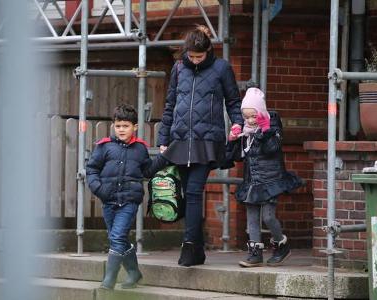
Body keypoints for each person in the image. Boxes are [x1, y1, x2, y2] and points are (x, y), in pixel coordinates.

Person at [157, 25, 243, 267]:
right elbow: (170, 104)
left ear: (208, 51)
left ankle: (188, 246)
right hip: (180, 139)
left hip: (207, 141)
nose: (194, 61)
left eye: (199, 56)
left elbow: (233, 101)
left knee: (194, 192)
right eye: (191, 56)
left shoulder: (221, 68)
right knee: (186, 193)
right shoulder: (179, 68)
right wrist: (163, 139)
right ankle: (198, 251)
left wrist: (237, 125)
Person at [86, 103, 167, 289]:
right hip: (108, 200)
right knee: (117, 238)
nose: (121, 129)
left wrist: (162, 158)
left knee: (117, 236)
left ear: (135, 127)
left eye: (126, 126)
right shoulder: (104, 147)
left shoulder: (140, 149)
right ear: (113, 126)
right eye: (118, 126)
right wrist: (99, 189)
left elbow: (147, 171)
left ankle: (109, 279)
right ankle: (134, 273)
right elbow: (92, 169)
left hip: (129, 201)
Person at [226, 87, 303, 267]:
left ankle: (281, 245)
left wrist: (264, 131)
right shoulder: (246, 132)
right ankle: (255, 253)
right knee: (251, 217)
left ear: (261, 112)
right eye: (246, 117)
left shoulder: (272, 126)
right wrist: (233, 139)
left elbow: (272, 149)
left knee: (268, 217)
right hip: (252, 181)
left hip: (271, 181)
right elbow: (236, 157)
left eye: (254, 116)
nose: (250, 121)